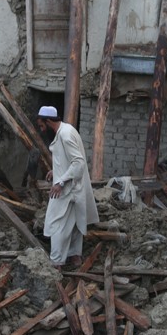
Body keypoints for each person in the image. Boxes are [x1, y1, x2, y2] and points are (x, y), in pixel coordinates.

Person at [35, 106, 99, 269]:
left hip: (67, 189)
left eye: (42, 126)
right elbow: (68, 159)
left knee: (56, 224)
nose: (42, 130)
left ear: (48, 121)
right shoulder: (66, 130)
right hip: (73, 187)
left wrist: (60, 182)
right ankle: (74, 256)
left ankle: (56, 263)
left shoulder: (65, 134)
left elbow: (78, 162)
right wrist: (56, 171)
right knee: (75, 221)